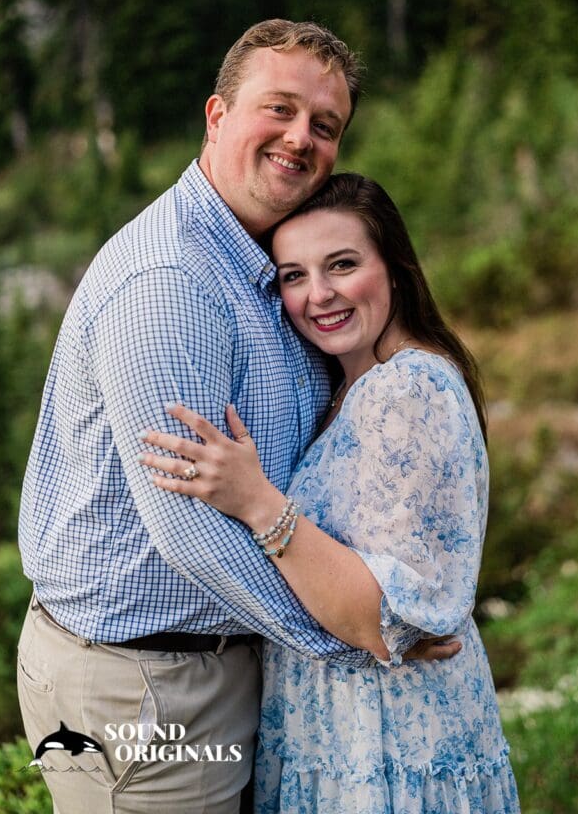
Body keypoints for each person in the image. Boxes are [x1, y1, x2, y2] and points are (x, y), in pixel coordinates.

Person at [17, 20, 457, 814]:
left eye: (325, 125)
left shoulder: (265, 267)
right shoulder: (173, 282)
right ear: (217, 116)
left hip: (224, 661)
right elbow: (191, 534)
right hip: (148, 682)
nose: (301, 138)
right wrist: (358, 638)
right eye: (278, 109)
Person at [142, 173, 521, 814]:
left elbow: (385, 620)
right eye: (292, 275)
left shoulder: (408, 390)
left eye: (341, 265)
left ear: (395, 269)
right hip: (340, 729)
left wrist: (257, 501)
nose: (318, 295)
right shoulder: (348, 386)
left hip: (388, 742)